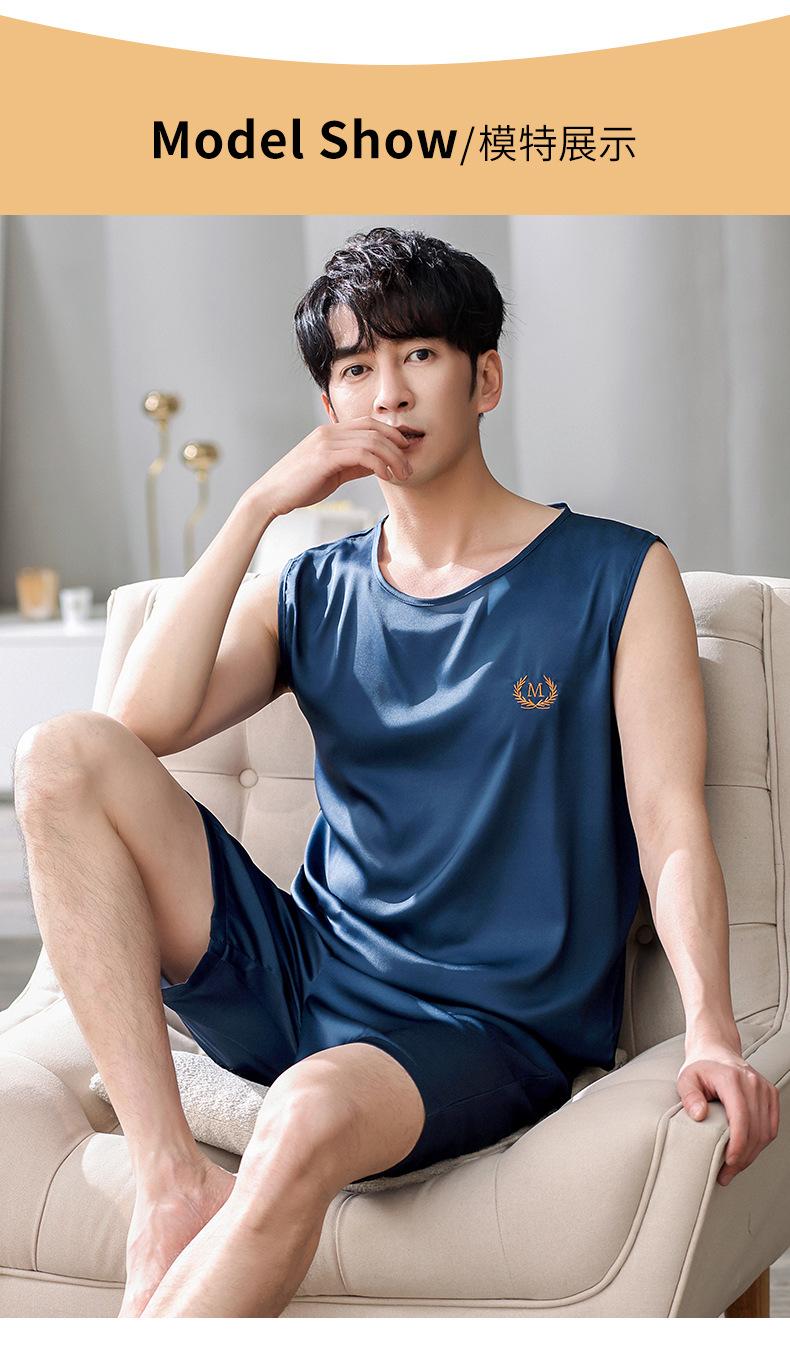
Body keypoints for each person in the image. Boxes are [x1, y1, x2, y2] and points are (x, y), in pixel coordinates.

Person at [11, 226, 778, 1318]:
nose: (389, 393)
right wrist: (258, 507)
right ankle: (170, 1180)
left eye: (418, 354)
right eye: (355, 367)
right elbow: (134, 725)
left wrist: (710, 1026)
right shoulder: (313, 586)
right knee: (57, 754)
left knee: (308, 1110)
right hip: (303, 973)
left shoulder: (615, 574)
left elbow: (668, 826)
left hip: (482, 1026)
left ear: (485, 379)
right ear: (328, 403)